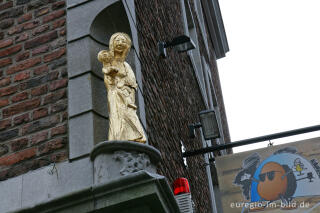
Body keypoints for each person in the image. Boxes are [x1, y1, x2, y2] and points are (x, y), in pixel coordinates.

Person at [98, 32, 146, 143]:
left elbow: (133, 83)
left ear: (127, 46)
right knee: (117, 116)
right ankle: (117, 139)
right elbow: (107, 76)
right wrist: (111, 75)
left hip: (127, 96)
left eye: (123, 41)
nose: (120, 43)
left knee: (130, 114)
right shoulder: (109, 62)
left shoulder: (127, 65)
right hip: (116, 93)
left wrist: (128, 89)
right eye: (117, 40)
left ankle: (135, 137)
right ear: (112, 44)